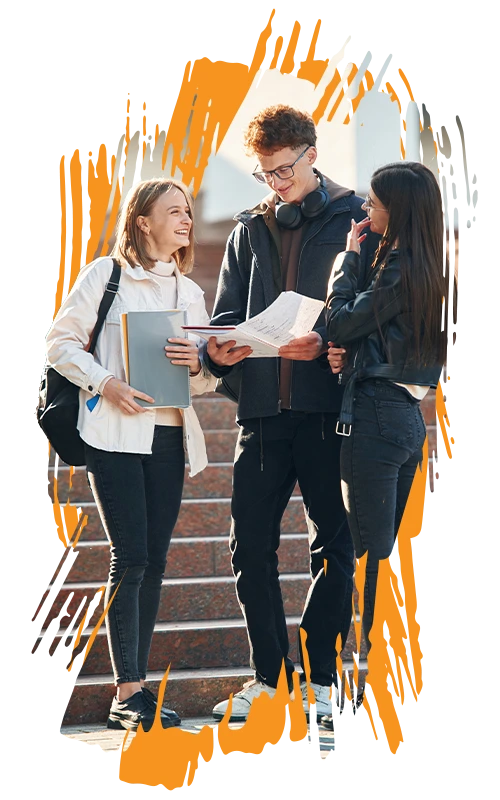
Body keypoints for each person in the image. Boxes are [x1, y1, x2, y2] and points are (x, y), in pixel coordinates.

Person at [202, 104, 381, 721]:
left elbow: (374, 309)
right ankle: (269, 678)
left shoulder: (359, 216)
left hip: (330, 410)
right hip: (262, 413)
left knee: (332, 545)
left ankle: (322, 677)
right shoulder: (247, 229)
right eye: (265, 175)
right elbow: (226, 313)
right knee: (248, 545)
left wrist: (329, 336)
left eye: (283, 171)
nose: (275, 185)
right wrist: (219, 349)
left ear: (311, 153)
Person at [44, 177, 219, 732]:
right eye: (174, 211)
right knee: (132, 557)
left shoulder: (190, 294)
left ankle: (135, 687)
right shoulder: (105, 275)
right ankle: (129, 692)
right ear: (143, 221)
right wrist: (104, 383)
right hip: (113, 436)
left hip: (168, 438)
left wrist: (197, 366)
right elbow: (59, 343)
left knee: (157, 561)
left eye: (189, 211)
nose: (186, 219)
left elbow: (204, 383)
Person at [321, 160, 451, 725]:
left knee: (370, 559)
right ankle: (391, 681)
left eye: (372, 205)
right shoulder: (433, 270)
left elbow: (337, 320)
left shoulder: (393, 266)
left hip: (373, 421)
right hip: (406, 419)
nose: (364, 214)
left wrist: (347, 260)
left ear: (396, 210)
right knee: (389, 559)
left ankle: (372, 690)